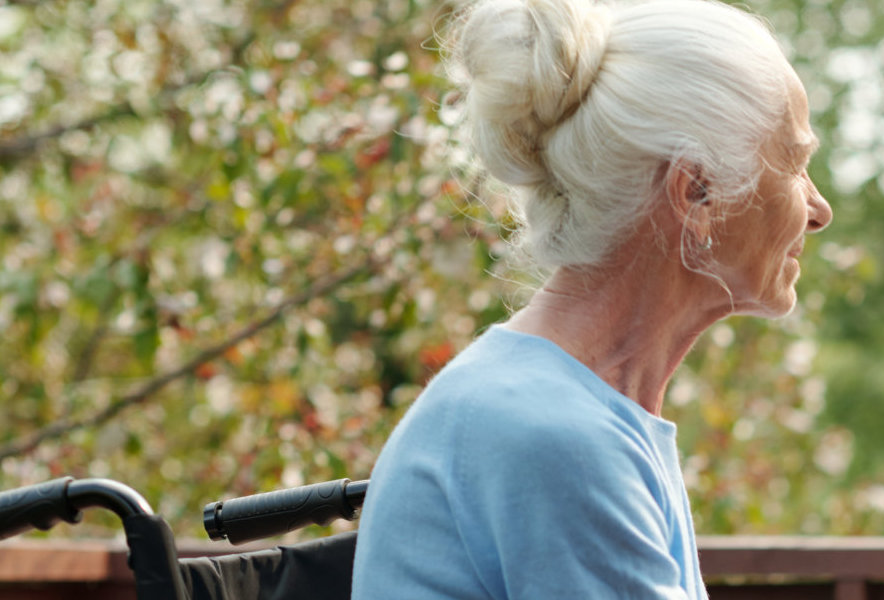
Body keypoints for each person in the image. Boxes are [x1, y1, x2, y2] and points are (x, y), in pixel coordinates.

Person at [351, 0, 830, 597]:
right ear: (696, 192)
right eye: (795, 164)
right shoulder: (558, 435)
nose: (819, 210)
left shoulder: (563, 404)